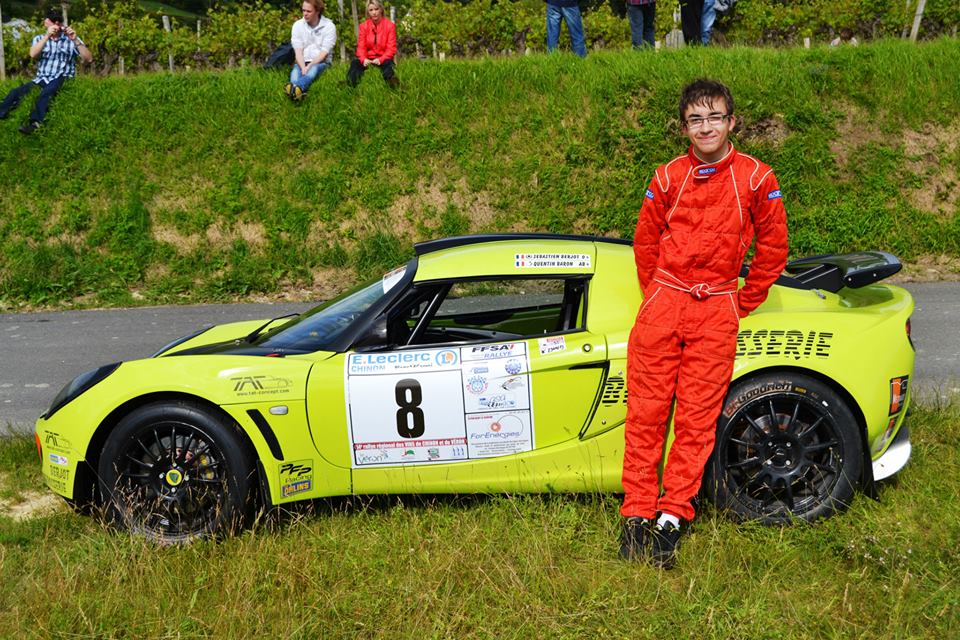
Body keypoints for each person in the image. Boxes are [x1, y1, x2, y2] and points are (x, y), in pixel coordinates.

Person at [620, 79, 789, 568]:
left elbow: (773, 250)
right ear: (684, 127)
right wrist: (656, 294)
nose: (707, 126)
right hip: (665, 303)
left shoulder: (757, 178)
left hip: (717, 307)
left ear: (731, 122)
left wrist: (741, 302)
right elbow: (645, 241)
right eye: (697, 119)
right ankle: (635, 512)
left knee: (695, 419)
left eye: (715, 117)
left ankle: (673, 515)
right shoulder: (667, 175)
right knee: (646, 414)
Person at [0, 8, 92, 135]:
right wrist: (47, 36)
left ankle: (35, 123)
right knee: (15, 92)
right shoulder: (39, 38)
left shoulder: (71, 39)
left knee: (46, 92)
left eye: (59, 21)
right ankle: (2, 114)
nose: (57, 24)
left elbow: (89, 58)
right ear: (46, 23)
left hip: (62, 76)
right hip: (42, 77)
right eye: (53, 21)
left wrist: (75, 40)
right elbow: (33, 54)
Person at [286, 0, 337, 102]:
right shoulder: (297, 25)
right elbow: (298, 51)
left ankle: (296, 88)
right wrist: (303, 66)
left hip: (321, 62)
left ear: (317, 11)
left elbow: (324, 53)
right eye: (303, 10)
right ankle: (296, 93)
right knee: (295, 72)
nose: (305, 14)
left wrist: (309, 66)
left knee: (313, 70)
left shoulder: (329, 26)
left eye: (308, 11)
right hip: (302, 62)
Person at [347, 0, 398, 88]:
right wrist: (363, 59)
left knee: (388, 65)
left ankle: (392, 85)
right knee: (355, 63)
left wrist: (380, 59)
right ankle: (350, 85)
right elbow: (361, 47)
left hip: (383, 58)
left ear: (381, 9)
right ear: (368, 12)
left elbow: (391, 49)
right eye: (371, 10)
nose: (374, 13)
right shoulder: (363, 26)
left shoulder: (390, 26)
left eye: (376, 9)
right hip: (368, 58)